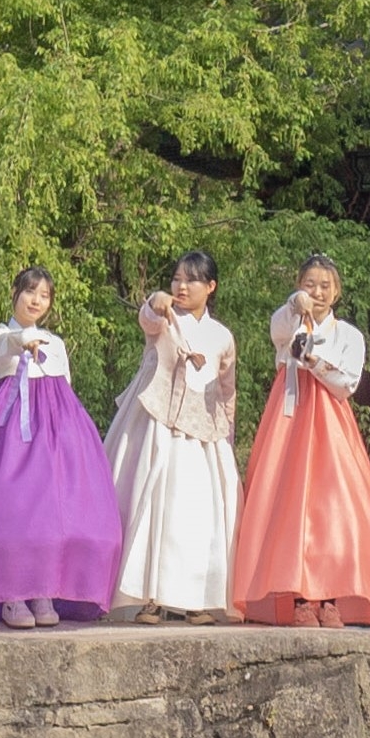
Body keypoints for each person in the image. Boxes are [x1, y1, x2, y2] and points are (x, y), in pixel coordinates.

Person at [0, 268, 122, 627]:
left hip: (54, 431)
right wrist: (22, 342)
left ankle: (43, 589)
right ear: (14, 292)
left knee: (48, 511)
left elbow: (65, 387)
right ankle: (12, 595)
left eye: (44, 295)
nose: (36, 300)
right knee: (11, 510)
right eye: (30, 292)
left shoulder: (55, 343)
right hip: (7, 428)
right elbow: (2, 350)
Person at [235, 256, 370, 627]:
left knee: (333, 508)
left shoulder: (349, 335)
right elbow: (278, 326)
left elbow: (346, 385)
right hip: (288, 422)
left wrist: (314, 360)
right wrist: (295, 304)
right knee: (290, 505)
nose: (317, 292)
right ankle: (300, 599)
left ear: (336, 291)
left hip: (330, 424)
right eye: (310, 284)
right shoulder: (289, 322)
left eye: (325, 286)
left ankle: (330, 598)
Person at [106, 252, 239, 622]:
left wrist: (227, 434)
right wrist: (154, 300)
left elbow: (227, 389)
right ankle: (150, 598)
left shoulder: (221, 337)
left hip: (203, 436)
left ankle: (196, 598)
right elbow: (147, 318)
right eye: (177, 278)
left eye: (191, 280)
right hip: (156, 425)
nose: (181, 286)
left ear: (210, 287)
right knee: (153, 504)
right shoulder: (164, 319)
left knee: (197, 515)